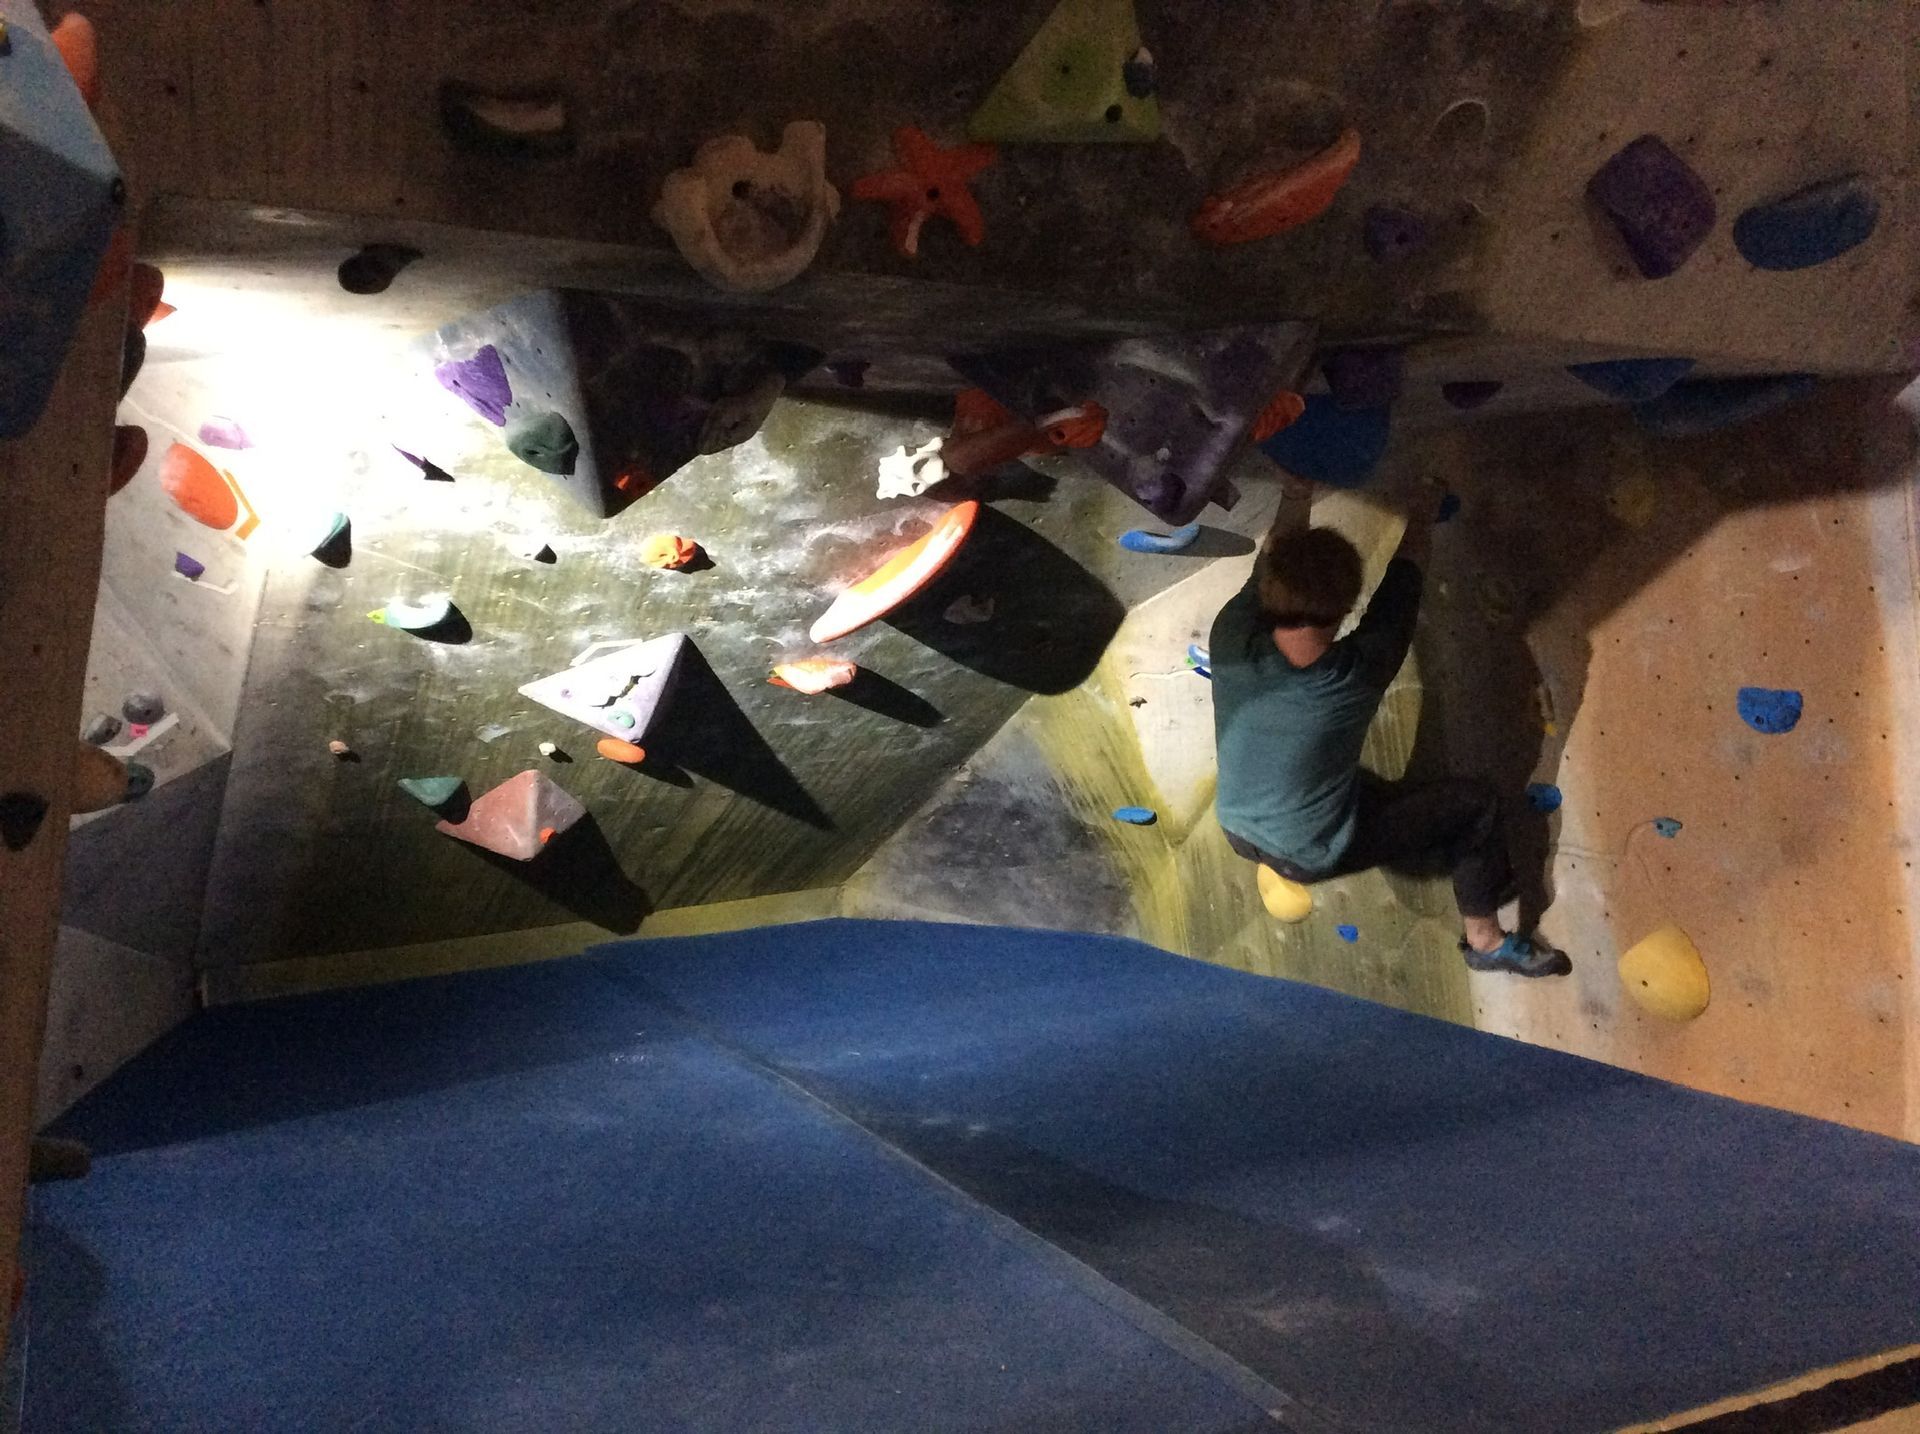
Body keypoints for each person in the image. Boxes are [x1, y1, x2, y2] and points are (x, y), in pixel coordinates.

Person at [1209, 496, 1570, 977]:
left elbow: (1274, 553)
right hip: (1309, 853)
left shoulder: (1230, 634)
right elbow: (1404, 578)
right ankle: (1485, 941)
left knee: (1332, 774)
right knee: (1476, 807)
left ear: (1271, 586)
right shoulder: (1356, 673)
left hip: (1235, 824)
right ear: (1345, 608)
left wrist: (1295, 489)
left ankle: (1303, 837)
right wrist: (1423, 510)